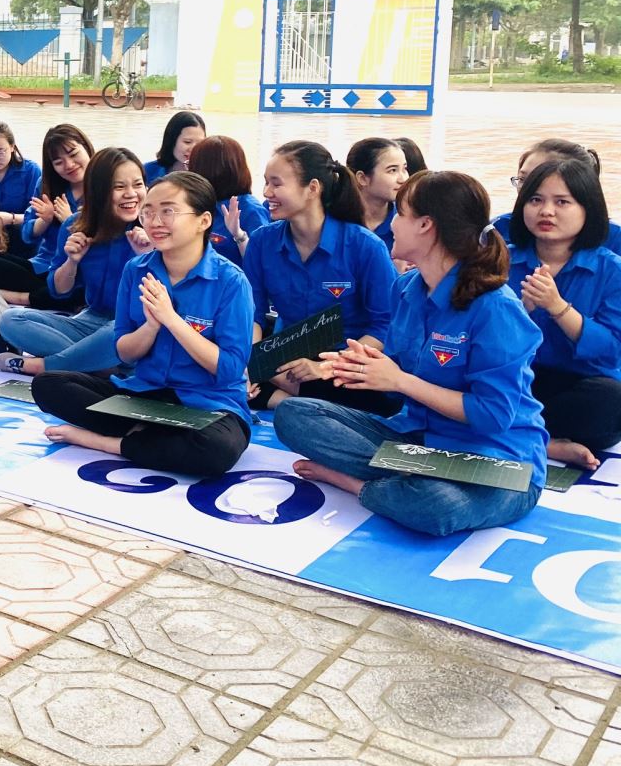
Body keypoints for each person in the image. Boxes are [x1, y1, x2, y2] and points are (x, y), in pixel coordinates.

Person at [274, 172, 546, 537]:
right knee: (294, 415)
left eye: (400, 214)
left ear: (426, 225)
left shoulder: (496, 308)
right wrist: (356, 368)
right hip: (416, 440)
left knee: (437, 504)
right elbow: (397, 372)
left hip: (495, 457)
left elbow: (493, 416)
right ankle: (401, 482)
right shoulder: (405, 288)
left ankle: (357, 484)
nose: (392, 223)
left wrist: (400, 381)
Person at [33, 171, 255, 479]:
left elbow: (229, 369)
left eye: (168, 211)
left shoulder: (231, 281)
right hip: (146, 394)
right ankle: (152, 438)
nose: (154, 222)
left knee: (217, 449)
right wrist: (150, 327)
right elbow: (124, 353)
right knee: (47, 385)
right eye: (148, 212)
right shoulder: (136, 270)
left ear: (203, 221)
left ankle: (109, 443)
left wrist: (171, 319)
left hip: (207, 403)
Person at [243, 140, 398, 412]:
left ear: (313, 188)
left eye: (276, 184)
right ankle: (295, 403)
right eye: (266, 183)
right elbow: (252, 314)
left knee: (374, 396)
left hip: (349, 362)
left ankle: (297, 403)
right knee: (221, 371)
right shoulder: (261, 242)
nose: (266, 192)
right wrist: (251, 364)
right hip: (287, 361)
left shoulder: (365, 246)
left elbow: (385, 324)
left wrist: (327, 365)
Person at [506, 158, 621, 469]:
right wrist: (521, 313)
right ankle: (547, 444)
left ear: (588, 208)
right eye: (535, 200)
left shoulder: (612, 270)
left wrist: (557, 307)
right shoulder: (500, 261)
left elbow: (611, 351)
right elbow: (481, 340)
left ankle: (515, 432)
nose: (546, 211)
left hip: (578, 384)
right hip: (515, 377)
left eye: (562, 202)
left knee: (611, 401)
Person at [0, 147, 148, 376]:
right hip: (91, 319)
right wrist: (72, 262)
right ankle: (103, 367)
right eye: (119, 187)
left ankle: (44, 365)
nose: (131, 194)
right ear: (98, 191)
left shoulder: (153, 229)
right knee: (10, 320)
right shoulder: (76, 225)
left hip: (134, 326)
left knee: (120, 330)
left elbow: (162, 304)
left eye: (138, 185)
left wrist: (146, 256)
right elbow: (59, 291)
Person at [492, 139, 621, 254]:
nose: (528, 188)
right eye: (522, 179)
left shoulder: (615, 241)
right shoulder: (498, 228)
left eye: (540, 179)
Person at [17, 125, 96, 311]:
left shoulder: (105, 184)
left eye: (73, 154)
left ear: (86, 147)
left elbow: (106, 240)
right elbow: (27, 235)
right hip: (45, 264)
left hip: (81, 270)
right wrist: (44, 220)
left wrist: (71, 220)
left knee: (75, 289)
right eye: (59, 162)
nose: (69, 165)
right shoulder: (48, 185)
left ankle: (20, 298)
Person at [0, 121, 45, 303]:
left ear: (12, 147)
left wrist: (11, 218)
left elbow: (40, 215)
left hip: (23, 239)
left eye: (0, 151)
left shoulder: (31, 171)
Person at [186, 135, 270, 268]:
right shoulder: (196, 203)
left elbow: (264, 262)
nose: (188, 173)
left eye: (191, 166)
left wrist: (239, 235)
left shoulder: (250, 210)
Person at [348, 136, 408, 252]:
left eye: (405, 169)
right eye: (392, 170)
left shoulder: (409, 221)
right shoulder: (336, 222)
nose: (403, 179)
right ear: (362, 178)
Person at [143, 112, 206, 185]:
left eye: (200, 143)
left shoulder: (209, 173)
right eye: (187, 142)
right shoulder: (148, 170)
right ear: (171, 141)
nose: (194, 149)